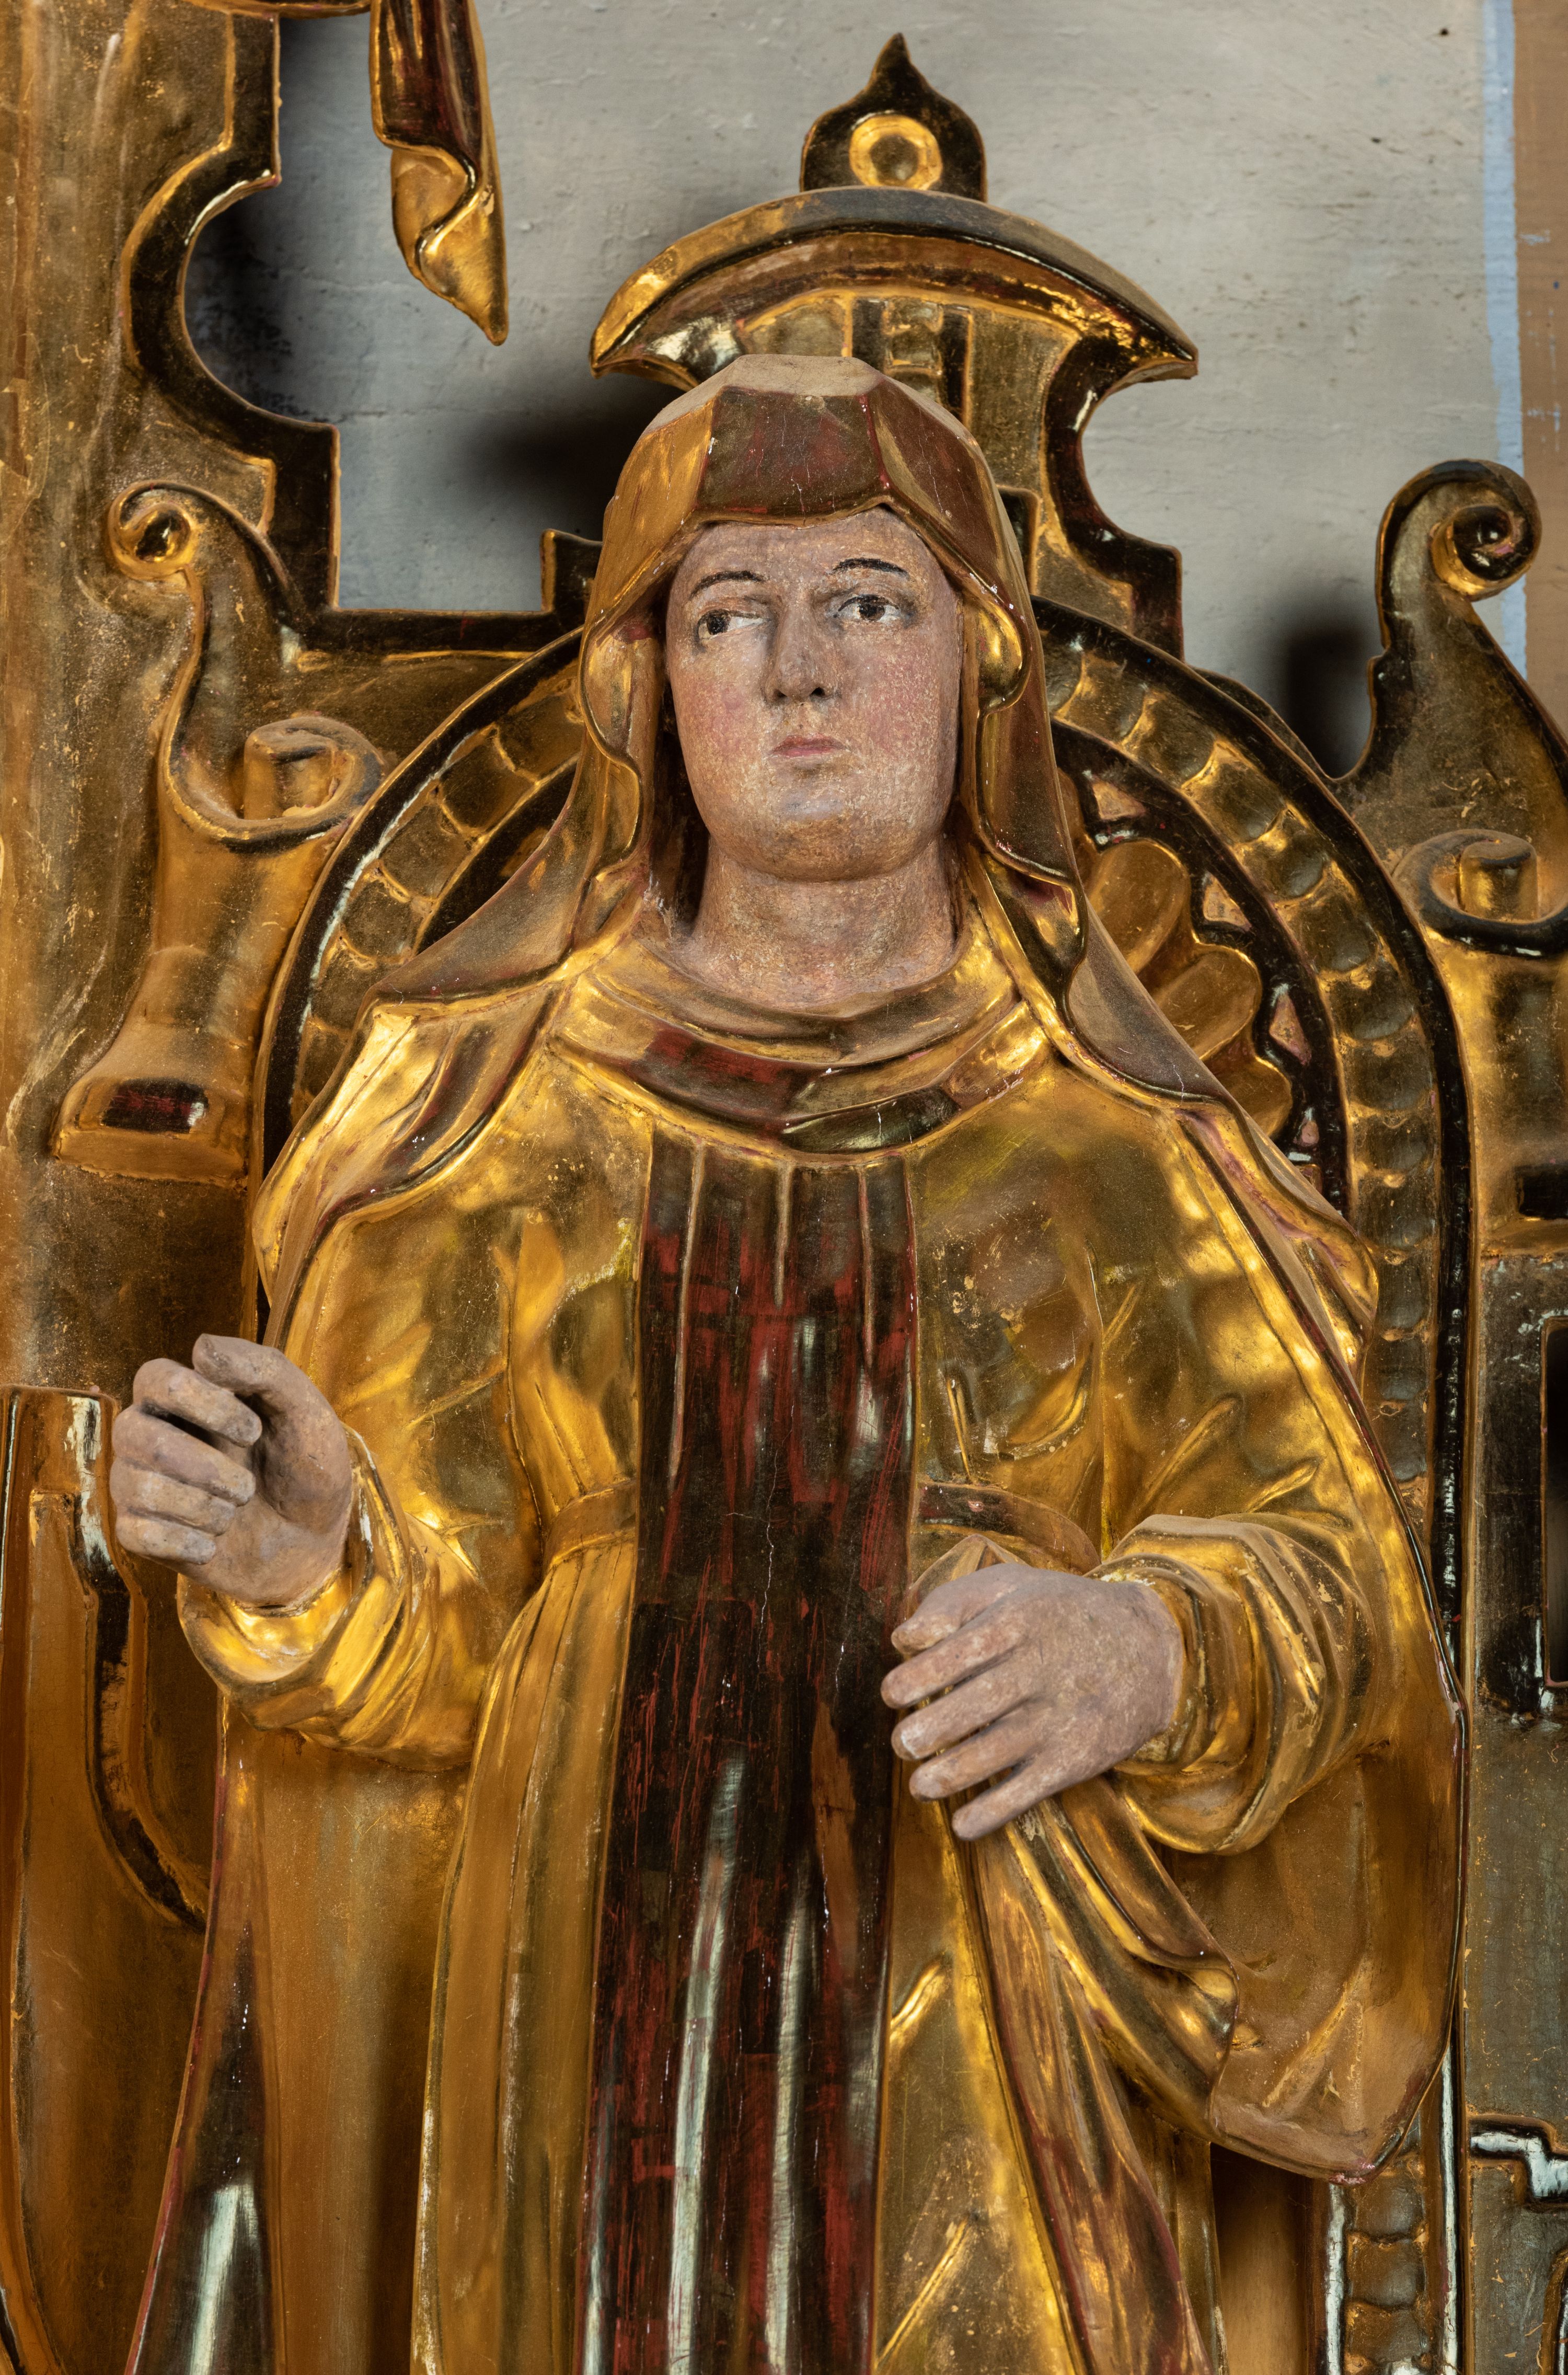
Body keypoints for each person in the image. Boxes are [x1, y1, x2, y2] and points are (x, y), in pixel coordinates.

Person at [110, 354, 1461, 2375]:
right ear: (644, 686)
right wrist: (307, 1559)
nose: (800, 670)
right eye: (729, 613)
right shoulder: (476, 1129)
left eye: (869, 602)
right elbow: (409, 1692)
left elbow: (1339, 1580)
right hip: (581, 2057)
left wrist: (1149, 1647)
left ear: (979, 667)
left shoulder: (1122, 1148)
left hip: (990, 2058)